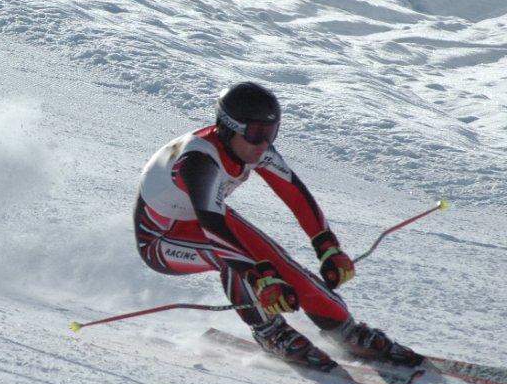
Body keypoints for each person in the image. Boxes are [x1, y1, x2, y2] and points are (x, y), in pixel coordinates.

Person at [133, 81, 422, 369]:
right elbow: (214, 229)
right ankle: (269, 331)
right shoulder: (199, 162)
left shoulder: (250, 148)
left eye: (270, 133)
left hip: (205, 218)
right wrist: (259, 278)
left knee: (278, 261)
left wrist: (326, 246)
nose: (263, 143)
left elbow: (295, 194)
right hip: (161, 239)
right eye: (255, 133)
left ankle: (343, 329)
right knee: (237, 262)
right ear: (228, 128)